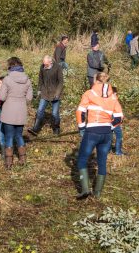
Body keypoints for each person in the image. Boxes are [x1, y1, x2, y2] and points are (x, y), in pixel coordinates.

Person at [75, 72, 123, 200]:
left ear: (96, 80)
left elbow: (80, 111)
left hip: (92, 131)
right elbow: (119, 117)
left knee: (82, 159)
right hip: (107, 133)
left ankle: (85, 189)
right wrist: (110, 126)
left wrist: (81, 127)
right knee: (102, 162)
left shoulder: (89, 93)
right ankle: (97, 193)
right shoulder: (113, 97)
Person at [0, 57, 33, 169]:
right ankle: (23, 159)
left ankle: (9, 162)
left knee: (9, 136)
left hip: (8, 111)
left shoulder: (7, 79)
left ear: (10, 66)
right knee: (18, 135)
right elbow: (29, 98)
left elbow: (2, 97)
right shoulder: (27, 80)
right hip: (21, 111)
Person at [28, 55, 64, 136]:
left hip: (55, 93)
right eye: (43, 64)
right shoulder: (42, 67)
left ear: (51, 62)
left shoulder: (57, 68)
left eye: (46, 64)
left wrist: (57, 93)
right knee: (40, 110)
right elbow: (40, 79)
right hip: (45, 93)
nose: (44, 65)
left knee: (55, 113)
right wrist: (39, 90)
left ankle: (56, 128)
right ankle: (35, 129)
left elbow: (61, 82)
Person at [111, 87, 125, 156]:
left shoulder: (109, 100)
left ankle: (108, 150)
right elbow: (116, 113)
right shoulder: (114, 101)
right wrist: (114, 124)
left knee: (109, 137)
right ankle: (118, 152)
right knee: (119, 137)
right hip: (115, 122)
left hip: (114, 122)